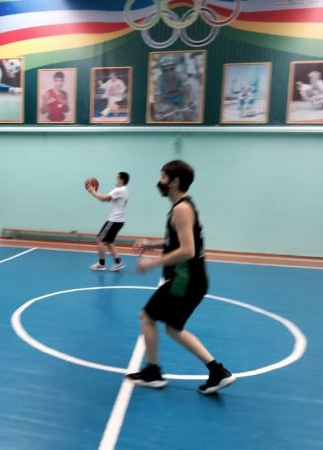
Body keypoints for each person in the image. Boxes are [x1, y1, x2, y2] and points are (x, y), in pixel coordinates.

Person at [126, 160, 235, 395]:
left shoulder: (181, 209)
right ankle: (217, 372)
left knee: (147, 317)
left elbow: (187, 250)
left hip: (185, 281)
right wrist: (150, 243)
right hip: (191, 281)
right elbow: (176, 241)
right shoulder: (182, 207)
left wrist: (153, 262)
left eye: (163, 177)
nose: (160, 182)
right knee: (173, 328)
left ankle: (153, 372)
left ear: (175, 181)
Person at [86, 172, 129, 272]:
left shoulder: (119, 190)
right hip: (120, 221)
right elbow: (106, 200)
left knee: (100, 240)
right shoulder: (125, 191)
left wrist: (93, 191)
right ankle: (118, 263)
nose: (116, 179)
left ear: (122, 180)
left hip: (114, 220)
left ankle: (101, 264)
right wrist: (94, 193)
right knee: (109, 242)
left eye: (117, 178)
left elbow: (104, 198)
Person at [153, 55, 197, 121]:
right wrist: (159, 111)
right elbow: (156, 100)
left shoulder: (181, 75)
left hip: (181, 101)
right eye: (165, 70)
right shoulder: (159, 81)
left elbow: (189, 91)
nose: (168, 72)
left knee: (188, 116)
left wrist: (190, 102)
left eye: (171, 69)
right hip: (167, 103)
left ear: (175, 68)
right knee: (168, 119)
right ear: (161, 71)